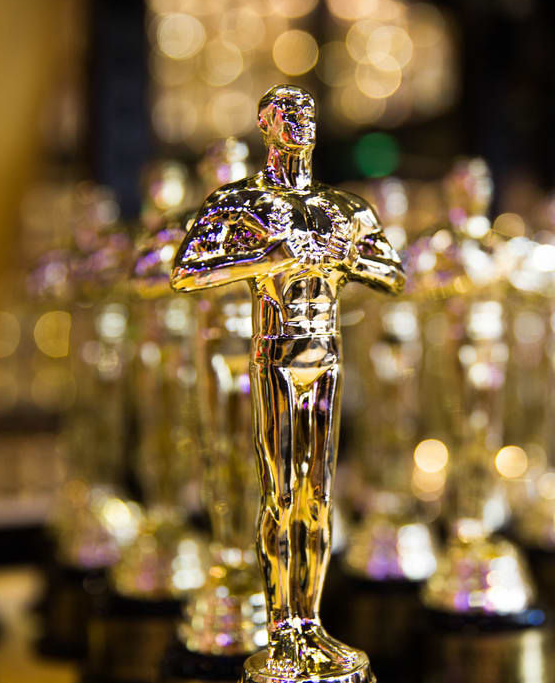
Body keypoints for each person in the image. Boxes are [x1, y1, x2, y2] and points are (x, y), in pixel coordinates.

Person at [172, 84, 404, 682]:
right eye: (288, 113)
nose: (301, 121)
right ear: (266, 125)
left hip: (326, 352)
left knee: (318, 498)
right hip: (276, 352)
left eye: (307, 112)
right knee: (280, 492)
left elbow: (394, 274)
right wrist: (271, 256)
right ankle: (284, 630)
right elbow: (186, 271)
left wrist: (346, 258)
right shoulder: (239, 201)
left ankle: (315, 621)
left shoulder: (341, 206)